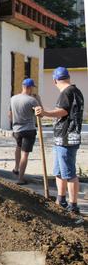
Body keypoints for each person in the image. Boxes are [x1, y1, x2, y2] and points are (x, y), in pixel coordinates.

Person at [35, 67, 84, 214]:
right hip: (64, 138)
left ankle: (73, 205)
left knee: (68, 173)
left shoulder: (67, 92)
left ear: (55, 80)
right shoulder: (76, 92)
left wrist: (44, 113)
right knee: (59, 171)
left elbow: (63, 111)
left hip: (66, 138)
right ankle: (61, 199)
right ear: (68, 77)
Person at [9, 78, 40, 185]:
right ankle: (20, 178)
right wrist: (38, 100)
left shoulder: (13, 98)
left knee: (18, 147)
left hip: (16, 129)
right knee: (25, 154)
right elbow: (41, 113)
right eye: (32, 88)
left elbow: (10, 114)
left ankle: (16, 168)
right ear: (29, 87)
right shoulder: (32, 100)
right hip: (28, 130)